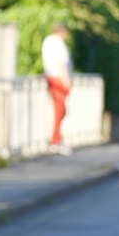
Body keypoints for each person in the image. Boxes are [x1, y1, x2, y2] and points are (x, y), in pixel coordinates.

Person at [41, 22, 72, 155]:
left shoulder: (47, 41)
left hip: (50, 77)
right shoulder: (58, 43)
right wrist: (66, 81)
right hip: (58, 78)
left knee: (59, 109)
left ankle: (57, 138)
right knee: (60, 110)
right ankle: (55, 140)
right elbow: (62, 63)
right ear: (62, 32)